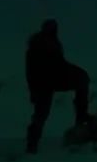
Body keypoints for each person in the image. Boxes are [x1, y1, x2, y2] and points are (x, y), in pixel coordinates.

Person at [24, 19, 90, 153]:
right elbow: (31, 70)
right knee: (41, 113)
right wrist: (33, 90)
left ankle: (81, 118)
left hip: (53, 78)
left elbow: (60, 63)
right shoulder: (39, 45)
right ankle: (32, 143)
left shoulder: (52, 43)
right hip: (44, 82)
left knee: (82, 79)